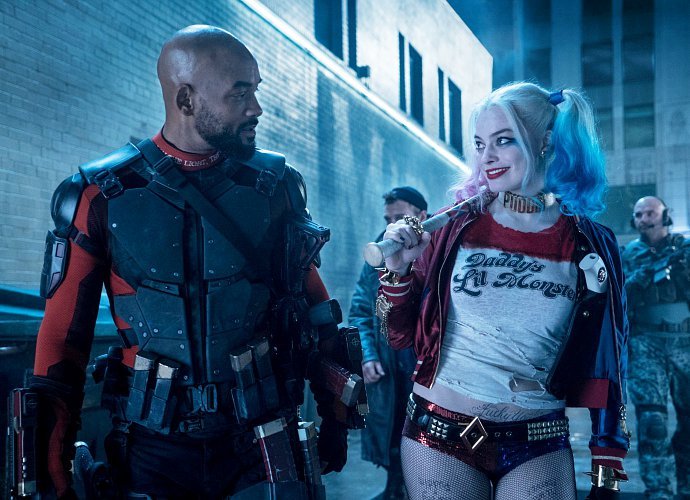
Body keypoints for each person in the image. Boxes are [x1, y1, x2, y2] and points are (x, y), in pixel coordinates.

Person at [29, 25, 348, 499]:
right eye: (240, 93)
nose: (256, 108)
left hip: (262, 441)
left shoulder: (276, 186)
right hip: (149, 448)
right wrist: (50, 467)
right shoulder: (98, 194)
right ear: (186, 99)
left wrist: (336, 416)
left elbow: (317, 309)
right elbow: (62, 338)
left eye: (255, 90)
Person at [375, 82, 630, 500]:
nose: (486, 157)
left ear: (546, 141)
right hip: (439, 435)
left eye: (503, 140)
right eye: (479, 144)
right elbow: (399, 336)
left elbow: (612, 355)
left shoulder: (592, 242)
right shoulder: (452, 226)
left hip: (538, 439)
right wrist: (398, 272)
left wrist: (608, 466)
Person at [349, 187, 428, 500]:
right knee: (392, 431)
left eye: (401, 217)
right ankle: (396, 489)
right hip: (388, 366)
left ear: (422, 216)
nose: (393, 225)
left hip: (423, 365)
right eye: (389, 218)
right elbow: (361, 308)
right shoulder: (379, 251)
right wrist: (367, 355)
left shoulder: (436, 249)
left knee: (424, 434)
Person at [622, 196, 690, 500]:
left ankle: (686, 486)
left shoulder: (684, 249)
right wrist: (643, 275)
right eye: (639, 214)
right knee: (652, 422)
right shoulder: (627, 254)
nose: (644, 218)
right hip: (645, 342)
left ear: (665, 214)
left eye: (650, 212)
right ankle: (658, 490)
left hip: (685, 340)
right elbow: (617, 295)